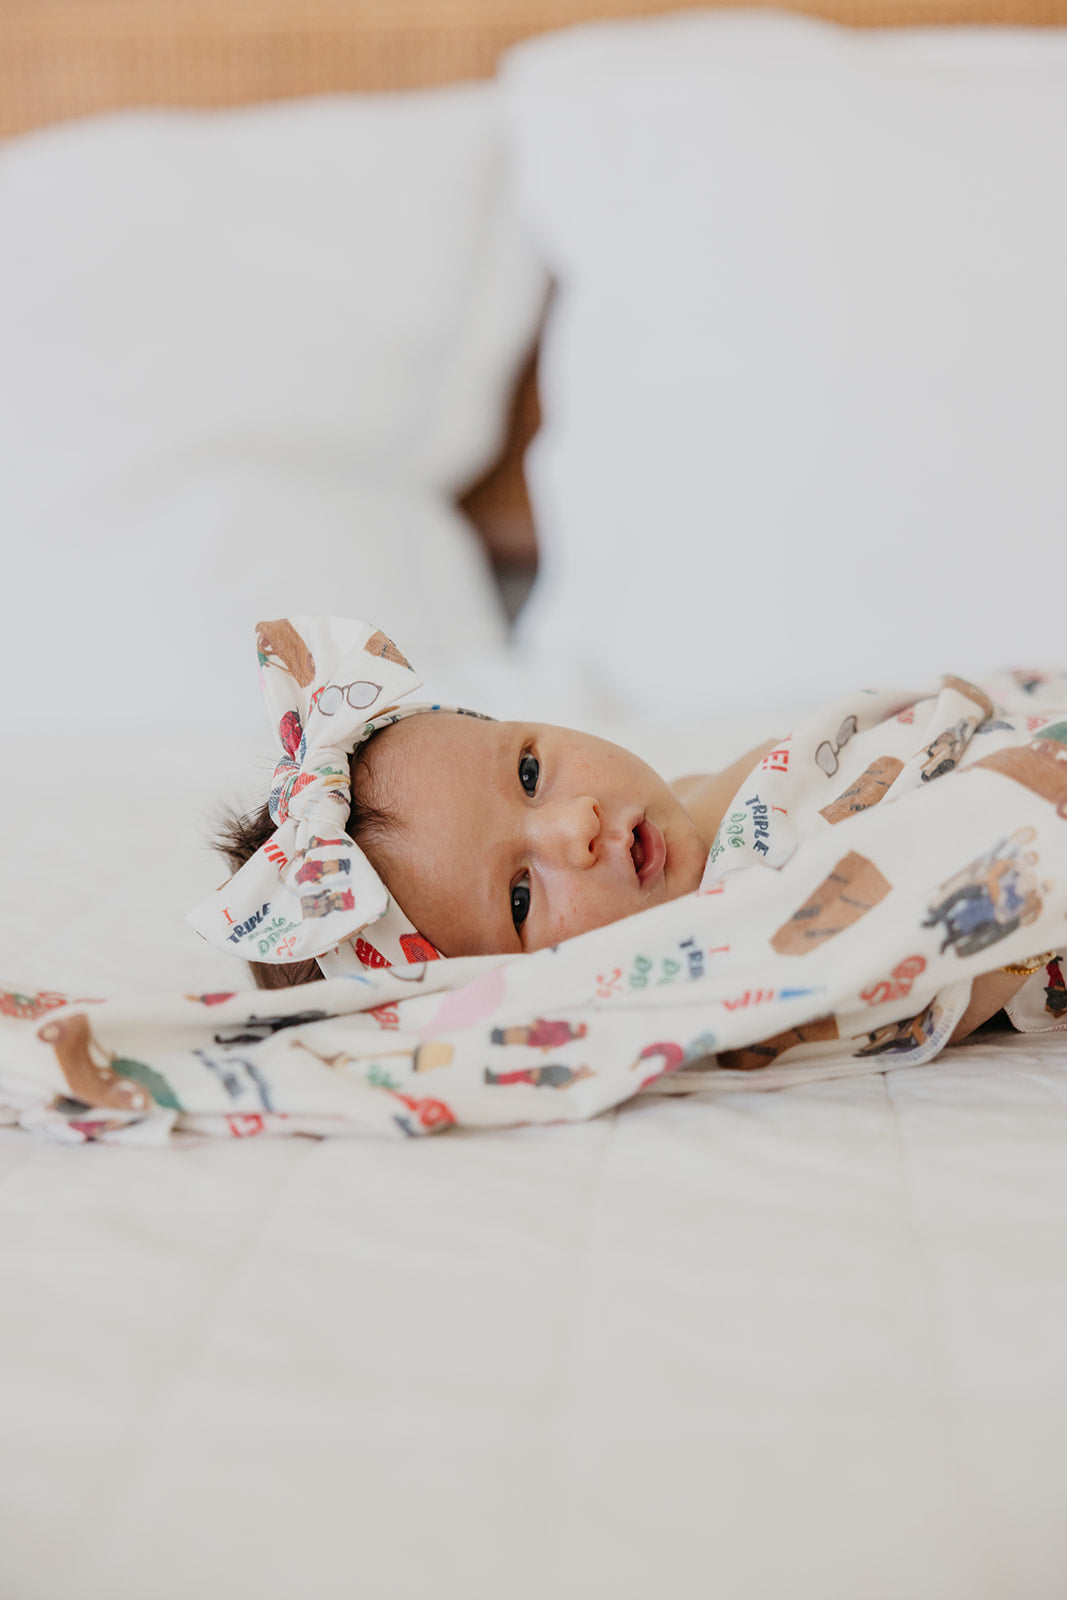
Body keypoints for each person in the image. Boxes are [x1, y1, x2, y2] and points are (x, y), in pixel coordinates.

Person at [192, 616, 1050, 1048]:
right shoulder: (738, 940)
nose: (575, 828)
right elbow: (924, 970)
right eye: (521, 895)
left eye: (528, 771)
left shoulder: (687, 801)